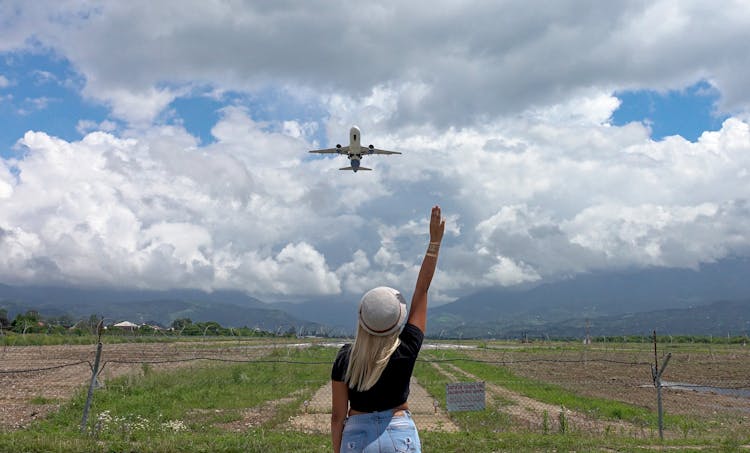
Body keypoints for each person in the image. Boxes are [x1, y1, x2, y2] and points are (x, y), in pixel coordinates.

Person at [331, 205, 445, 453]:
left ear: (361, 319)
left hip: (356, 437)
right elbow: (422, 290)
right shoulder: (406, 348)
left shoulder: (345, 358)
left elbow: (337, 416)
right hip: (399, 433)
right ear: (398, 321)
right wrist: (434, 243)